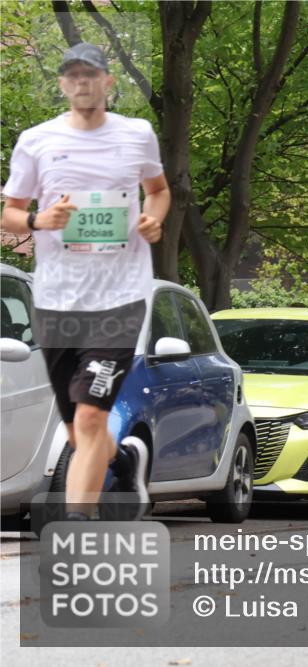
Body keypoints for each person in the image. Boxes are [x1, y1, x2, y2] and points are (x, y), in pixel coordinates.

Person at [1, 43, 170, 520]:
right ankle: (123, 459)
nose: (81, 83)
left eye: (90, 75)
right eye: (72, 75)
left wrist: (153, 220)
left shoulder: (138, 135)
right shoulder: (36, 140)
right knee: (77, 427)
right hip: (56, 301)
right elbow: (9, 215)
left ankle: (77, 525)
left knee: (93, 415)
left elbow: (158, 192)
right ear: (62, 84)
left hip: (119, 300)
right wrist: (39, 220)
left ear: (107, 82)